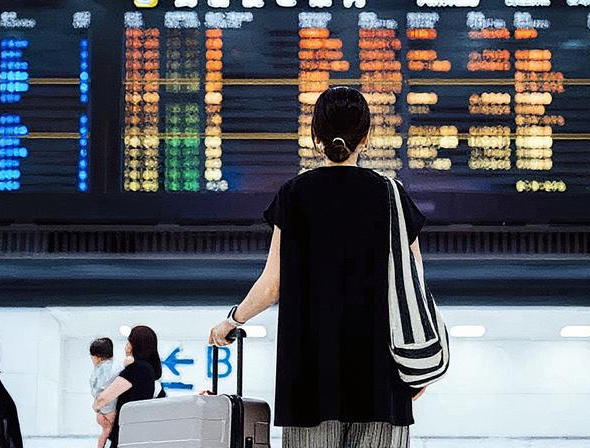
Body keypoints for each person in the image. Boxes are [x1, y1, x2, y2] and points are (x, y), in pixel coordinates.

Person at [209, 86, 428, 448]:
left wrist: (232, 321)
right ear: (367, 136)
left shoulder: (294, 194)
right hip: (382, 377)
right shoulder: (391, 194)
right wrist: (417, 365)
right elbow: (414, 284)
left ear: (315, 136)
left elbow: (271, 285)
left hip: (309, 381)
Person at [93, 326, 161, 448]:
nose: (127, 346)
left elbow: (103, 399)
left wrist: (97, 407)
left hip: (125, 435)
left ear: (134, 345)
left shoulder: (136, 369)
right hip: (139, 434)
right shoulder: (150, 371)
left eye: (129, 342)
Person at [89, 338, 121, 448]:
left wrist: (100, 410)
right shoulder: (118, 366)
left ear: (97, 357)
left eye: (92, 357)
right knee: (107, 434)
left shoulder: (101, 370)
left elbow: (100, 391)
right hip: (110, 408)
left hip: (106, 410)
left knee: (105, 433)